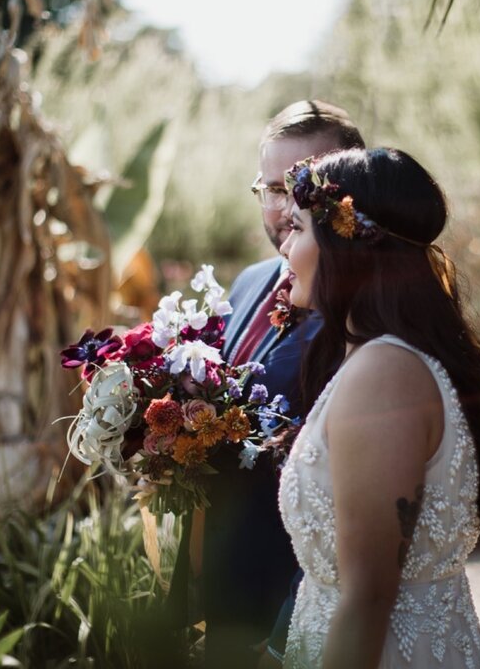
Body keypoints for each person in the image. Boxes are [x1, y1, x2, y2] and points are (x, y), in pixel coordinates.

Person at [276, 148, 480, 668]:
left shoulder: (384, 377)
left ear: (342, 242)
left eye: (296, 228)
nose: (285, 245)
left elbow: (367, 601)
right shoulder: (379, 361)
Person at [168, 100, 365, 669]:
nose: (283, 208)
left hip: (296, 600)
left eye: (301, 186)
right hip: (223, 585)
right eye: (270, 189)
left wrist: (285, 634)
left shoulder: (362, 317)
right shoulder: (250, 281)